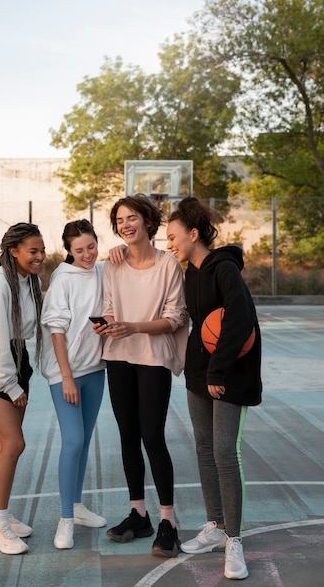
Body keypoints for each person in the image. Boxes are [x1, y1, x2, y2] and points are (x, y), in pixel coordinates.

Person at [166, 197, 262, 580]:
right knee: (204, 447)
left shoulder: (224, 269)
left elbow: (240, 320)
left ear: (193, 234)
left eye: (173, 236)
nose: (169, 243)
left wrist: (218, 372)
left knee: (225, 451)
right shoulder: (189, 271)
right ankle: (215, 525)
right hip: (199, 373)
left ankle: (234, 541)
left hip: (229, 375)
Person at [95, 193, 188, 558]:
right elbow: (107, 307)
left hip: (153, 357)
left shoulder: (168, 266)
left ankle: (169, 520)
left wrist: (133, 326)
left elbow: (176, 317)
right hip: (118, 356)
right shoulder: (113, 264)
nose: (125, 225)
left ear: (148, 221)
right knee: (128, 436)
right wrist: (107, 326)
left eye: (131, 217)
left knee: (152, 435)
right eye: (119, 221)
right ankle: (139, 514)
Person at [0, 222, 45, 555]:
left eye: (42, 250)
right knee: (14, 443)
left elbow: (30, 329)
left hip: (18, 360)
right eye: (33, 251)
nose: (40, 256)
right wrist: (11, 385)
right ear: (13, 251)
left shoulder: (30, 281)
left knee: (8, 445)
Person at [41, 219, 108, 550]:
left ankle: (78, 507)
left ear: (98, 241)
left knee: (84, 441)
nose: (87, 254)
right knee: (73, 441)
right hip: (65, 373)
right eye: (79, 250)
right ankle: (65, 518)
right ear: (68, 250)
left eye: (91, 246)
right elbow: (56, 329)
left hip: (96, 369)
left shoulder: (102, 270)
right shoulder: (62, 279)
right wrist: (66, 375)